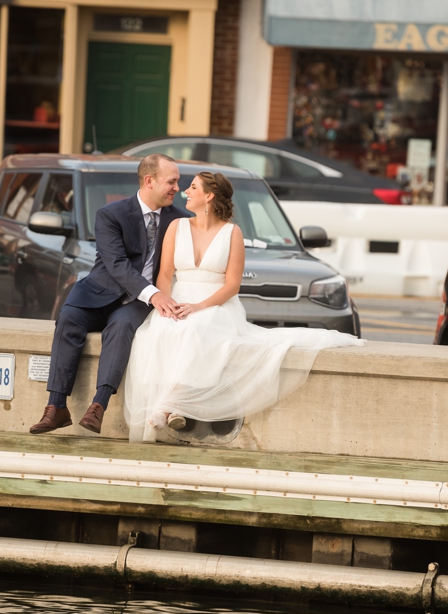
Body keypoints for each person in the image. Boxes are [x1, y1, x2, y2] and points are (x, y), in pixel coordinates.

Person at [121, 170, 362, 443]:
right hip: (177, 300)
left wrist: (198, 306)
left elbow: (232, 286)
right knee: (156, 333)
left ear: (209, 196)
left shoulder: (232, 233)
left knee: (195, 330)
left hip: (216, 305)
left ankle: (169, 404)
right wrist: (166, 304)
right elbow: (164, 274)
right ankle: (173, 406)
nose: (186, 191)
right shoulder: (177, 226)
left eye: (193, 187)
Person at [29, 153, 187, 435]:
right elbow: (116, 264)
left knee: (122, 325)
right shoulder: (111, 214)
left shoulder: (181, 220)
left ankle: (98, 406)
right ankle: (56, 407)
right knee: (68, 320)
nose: (178, 188)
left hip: (137, 302)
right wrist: (153, 294)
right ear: (149, 181)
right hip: (100, 291)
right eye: (172, 181)